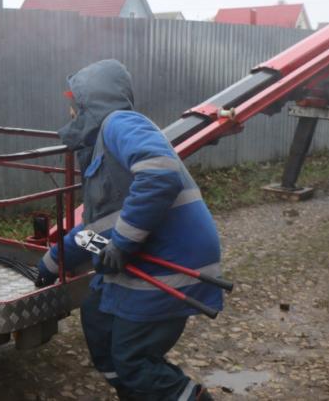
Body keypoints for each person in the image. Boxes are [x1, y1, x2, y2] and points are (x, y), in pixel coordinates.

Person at [35, 59, 222, 401]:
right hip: (139, 260)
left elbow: (159, 174)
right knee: (97, 317)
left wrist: (122, 243)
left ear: (90, 103)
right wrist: (50, 263)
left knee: (133, 359)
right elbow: (95, 231)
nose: (71, 113)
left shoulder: (120, 123)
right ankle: (134, 392)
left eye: (75, 105)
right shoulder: (101, 150)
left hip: (169, 264)